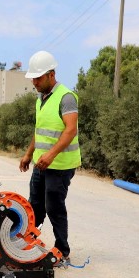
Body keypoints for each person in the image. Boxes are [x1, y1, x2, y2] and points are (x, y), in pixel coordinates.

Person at [19, 51, 81, 266]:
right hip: (41, 163)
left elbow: (70, 130)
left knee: (54, 205)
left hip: (61, 164)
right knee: (34, 205)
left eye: (38, 78)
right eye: (33, 78)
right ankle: (28, 243)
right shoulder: (41, 99)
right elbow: (40, 130)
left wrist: (51, 155)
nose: (34, 82)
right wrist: (29, 154)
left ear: (51, 75)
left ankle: (62, 250)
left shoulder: (66, 97)